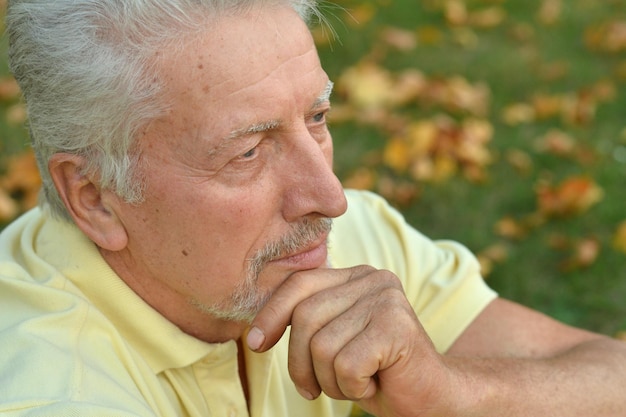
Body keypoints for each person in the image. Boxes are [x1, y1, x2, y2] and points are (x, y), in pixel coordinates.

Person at [1, 0, 625, 416]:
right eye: (247, 151)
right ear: (96, 198)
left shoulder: (317, 251)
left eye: (317, 117)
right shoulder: (48, 391)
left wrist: (452, 393)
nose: (330, 197)